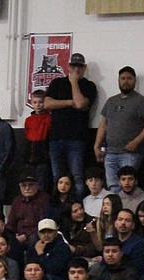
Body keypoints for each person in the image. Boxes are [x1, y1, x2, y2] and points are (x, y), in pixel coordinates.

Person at [94, 66, 144, 191]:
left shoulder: (141, 101)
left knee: (127, 188)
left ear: (134, 81)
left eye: (129, 78)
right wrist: (97, 146)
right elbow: (103, 125)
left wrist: (136, 142)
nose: (126, 81)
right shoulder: (111, 101)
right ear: (118, 81)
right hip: (110, 153)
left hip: (130, 153)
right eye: (122, 78)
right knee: (113, 187)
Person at [44, 53, 98, 199]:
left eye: (79, 67)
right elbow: (47, 104)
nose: (76, 70)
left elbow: (80, 104)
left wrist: (74, 82)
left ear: (84, 68)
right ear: (68, 67)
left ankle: (77, 208)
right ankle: (59, 209)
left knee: (77, 177)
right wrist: (69, 102)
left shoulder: (89, 86)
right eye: (73, 66)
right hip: (56, 138)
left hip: (77, 139)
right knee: (57, 178)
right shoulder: (57, 83)